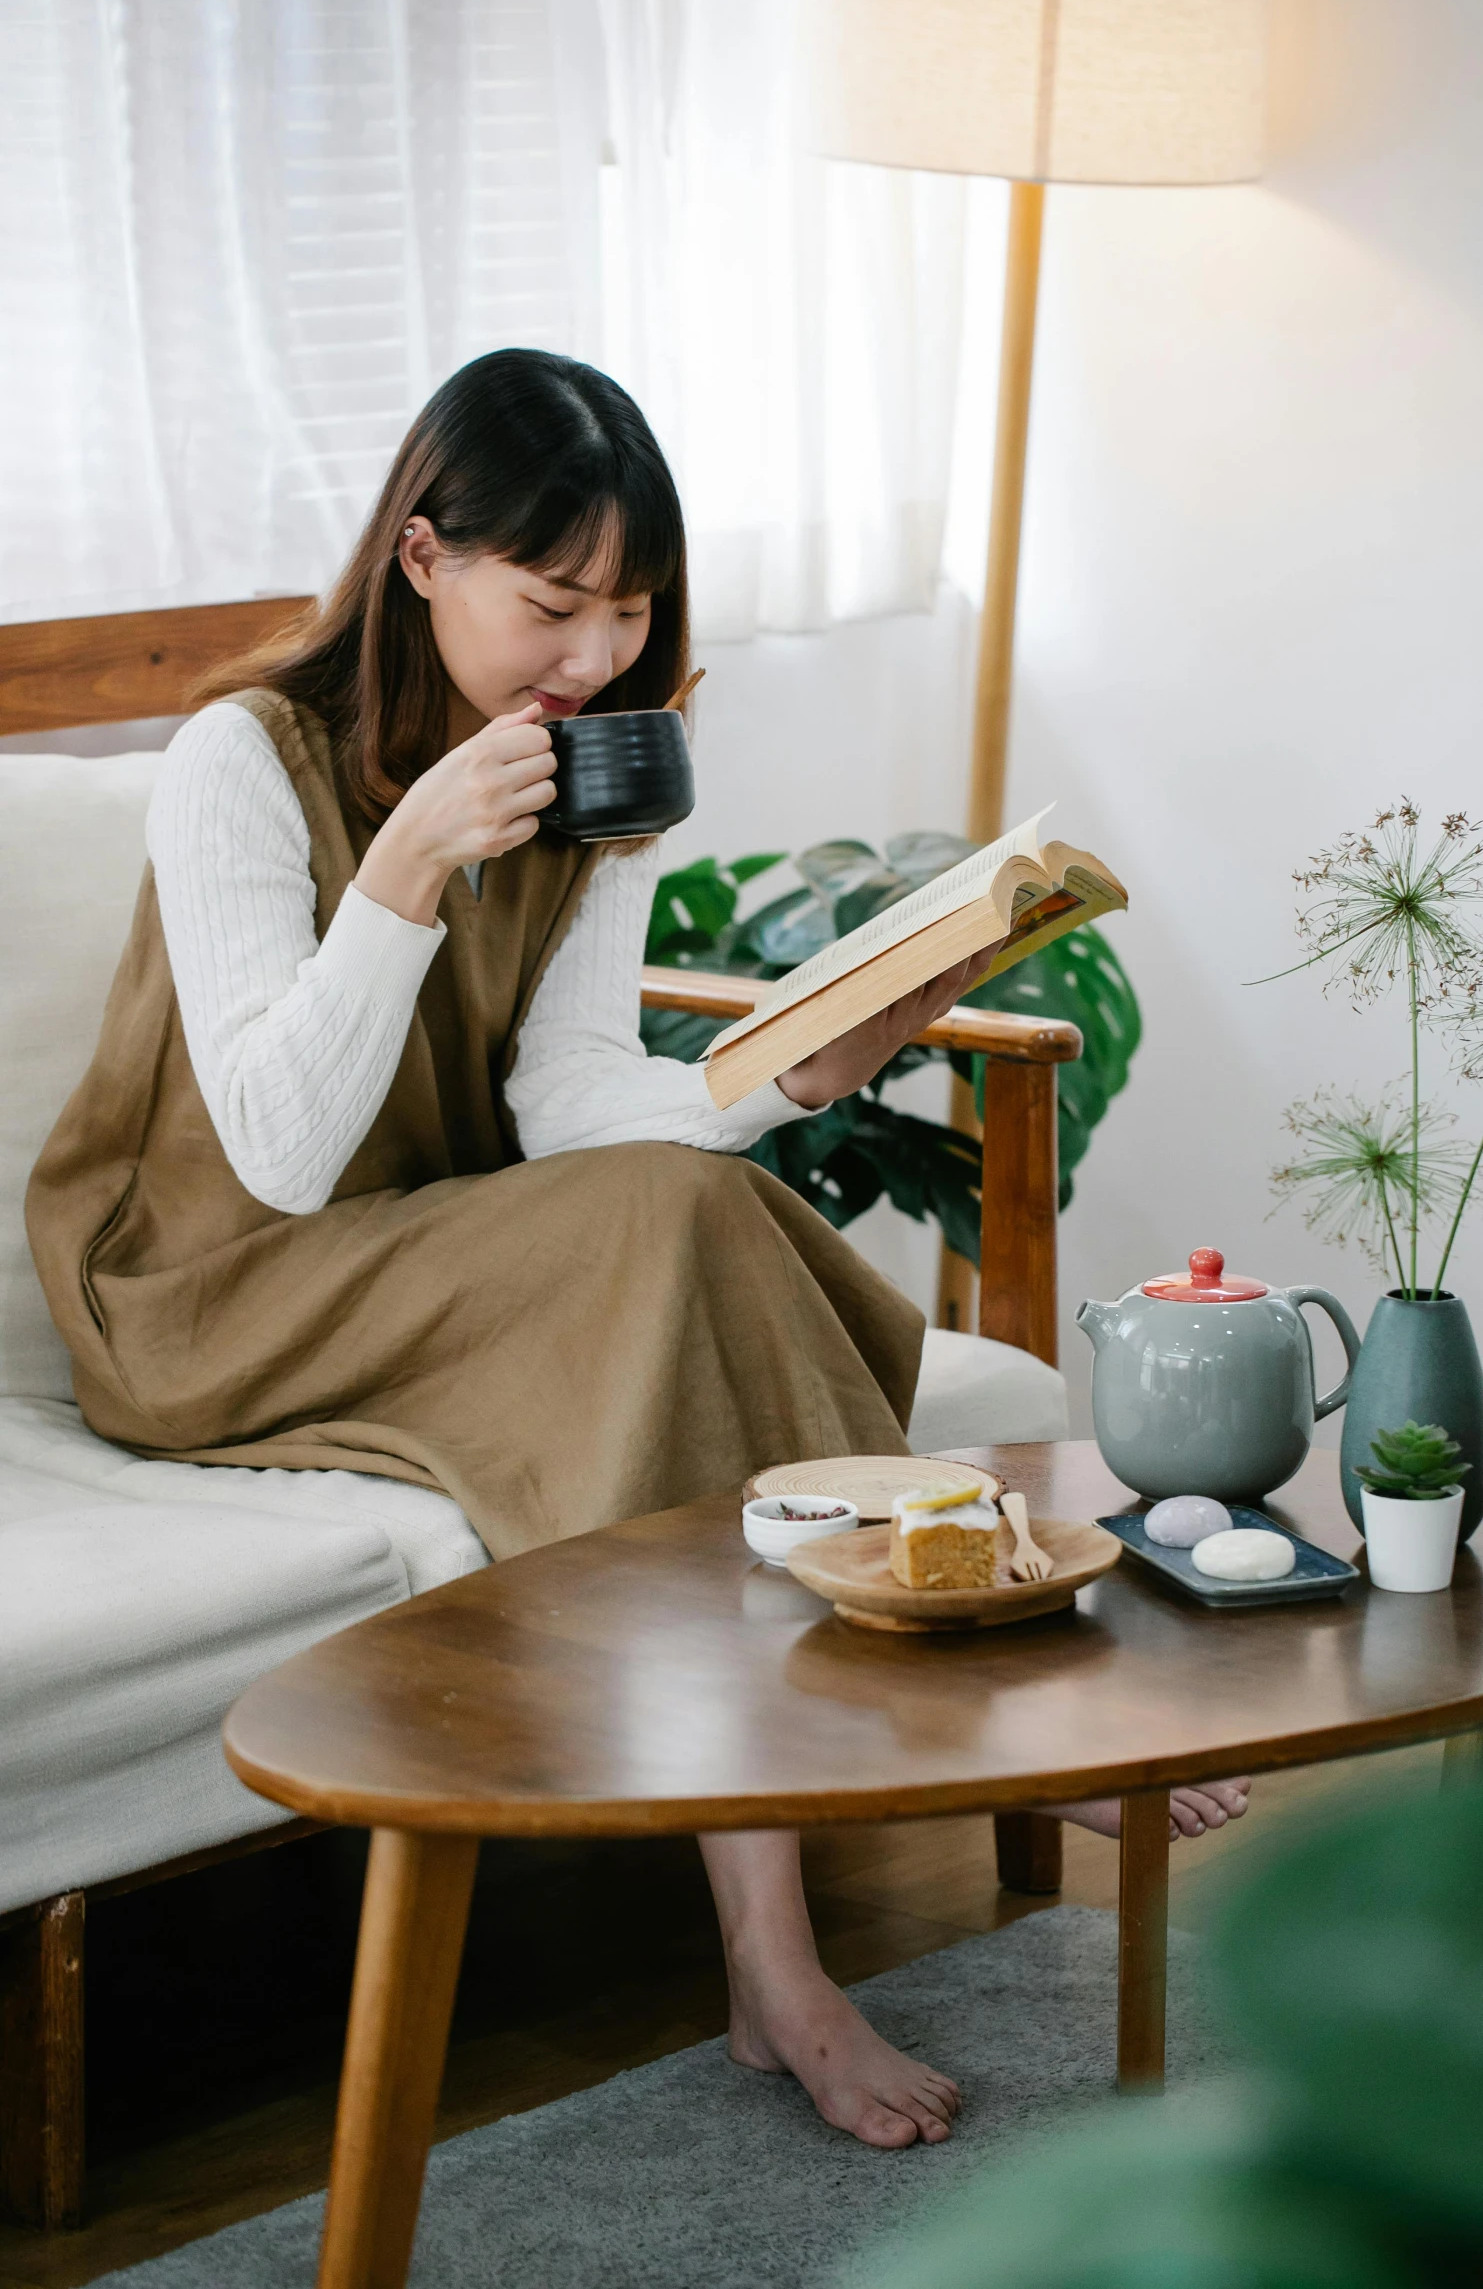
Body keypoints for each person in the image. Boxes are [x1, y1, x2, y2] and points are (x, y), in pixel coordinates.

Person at [26, 349, 1247, 2152]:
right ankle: (949, 1738)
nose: (590, 658)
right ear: (422, 555)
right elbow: (280, 1159)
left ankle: (787, 1928)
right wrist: (405, 872)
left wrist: (793, 1072)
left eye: (628, 610)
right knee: (664, 1244)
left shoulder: (601, 764)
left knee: (690, 1216)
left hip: (437, 1241)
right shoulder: (245, 760)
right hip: (212, 1287)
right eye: (552, 605)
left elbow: (573, 1097)